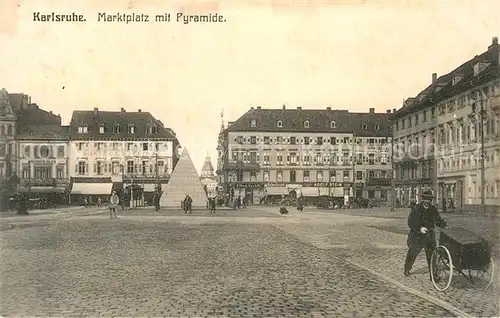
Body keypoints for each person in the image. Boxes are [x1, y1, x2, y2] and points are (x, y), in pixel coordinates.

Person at [404, 189, 447, 280]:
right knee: (412, 253)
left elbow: (437, 220)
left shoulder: (433, 209)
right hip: (417, 236)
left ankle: (433, 275)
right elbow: (410, 222)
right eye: (426, 199)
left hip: (429, 235)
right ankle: (407, 268)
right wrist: (420, 228)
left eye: (429, 199)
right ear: (422, 199)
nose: (427, 201)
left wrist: (443, 225)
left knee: (432, 255)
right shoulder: (417, 208)